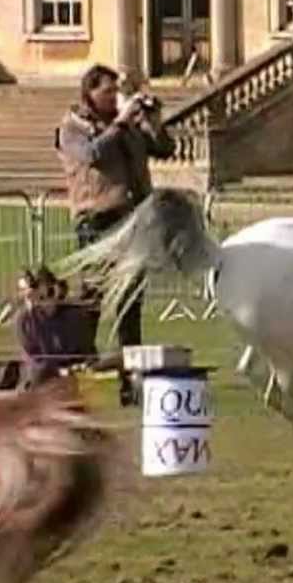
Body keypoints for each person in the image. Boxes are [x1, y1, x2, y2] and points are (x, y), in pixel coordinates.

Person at [54, 64, 174, 406]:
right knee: (93, 299)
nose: (112, 97)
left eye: (115, 91)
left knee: (130, 301)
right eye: (106, 91)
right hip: (96, 221)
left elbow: (164, 149)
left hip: (132, 217)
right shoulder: (72, 128)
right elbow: (91, 155)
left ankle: (130, 383)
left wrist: (153, 121)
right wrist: (120, 122)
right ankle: (74, 374)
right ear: (89, 92)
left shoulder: (126, 124)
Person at [13, 267, 95, 391]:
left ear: (57, 290)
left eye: (49, 293)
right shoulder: (25, 321)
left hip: (76, 378)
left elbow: (86, 353)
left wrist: (76, 368)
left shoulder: (75, 316)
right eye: (37, 297)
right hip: (41, 383)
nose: (46, 303)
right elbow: (36, 360)